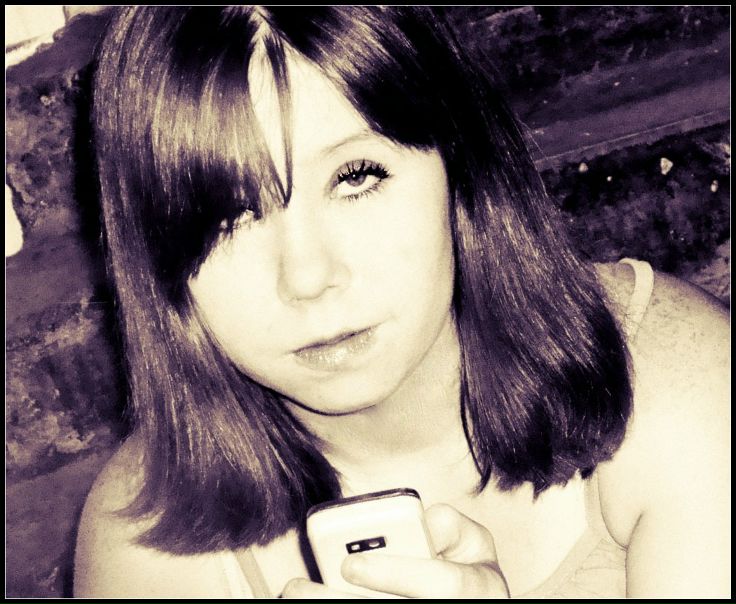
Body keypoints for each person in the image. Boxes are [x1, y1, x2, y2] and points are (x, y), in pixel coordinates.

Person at [73, 7, 729, 598]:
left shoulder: (676, 381)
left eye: (355, 177)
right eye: (229, 215)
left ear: (459, 166)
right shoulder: (146, 545)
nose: (307, 277)